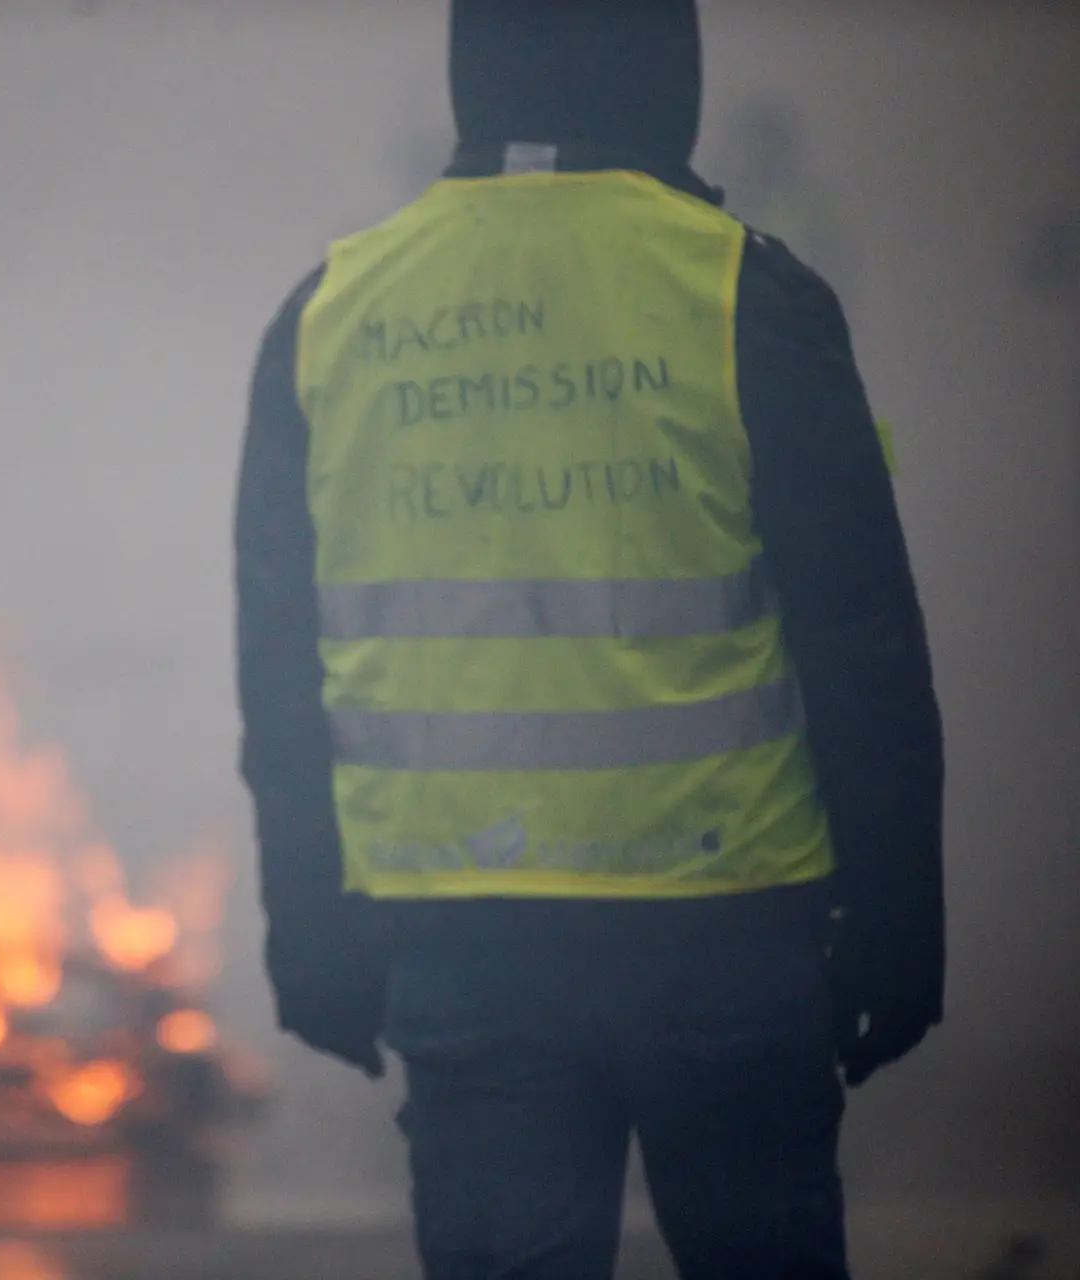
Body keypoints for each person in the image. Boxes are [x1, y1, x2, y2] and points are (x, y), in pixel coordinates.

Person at [232, 3, 943, 1276]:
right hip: (727, 933)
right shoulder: (745, 292)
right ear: (669, 64)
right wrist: (900, 915)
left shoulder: (330, 314)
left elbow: (282, 670)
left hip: (468, 946)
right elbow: (861, 644)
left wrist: (313, 931)